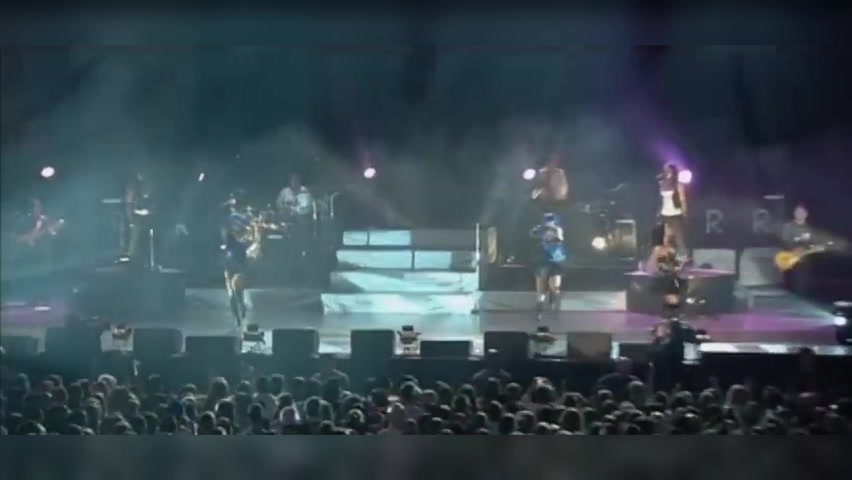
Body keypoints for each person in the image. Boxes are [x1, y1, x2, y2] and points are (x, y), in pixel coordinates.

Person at [223, 194, 255, 326]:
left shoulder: (230, 217)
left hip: (230, 256)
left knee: (231, 289)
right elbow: (252, 239)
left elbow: (226, 238)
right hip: (241, 256)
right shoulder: (248, 218)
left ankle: (237, 318)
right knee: (239, 289)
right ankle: (241, 306)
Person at [530, 212, 568, 311]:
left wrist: (553, 229)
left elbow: (559, 239)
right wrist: (537, 230)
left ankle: (553, 296)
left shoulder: (557, 229)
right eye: (546, 220)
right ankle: (540, 304)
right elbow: (532, 234)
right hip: (543, 259)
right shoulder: (541, 229)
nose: (548, 222)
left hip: (555, 259)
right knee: (541, 283)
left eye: (550, 220)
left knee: (555, 286)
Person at [780, 204, 814, 295]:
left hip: (804, 260)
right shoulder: (788, 227)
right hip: (790, 260)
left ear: (806, 214)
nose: (799, 214)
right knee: (791, 285)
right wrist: (794, 249)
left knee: (803, 284)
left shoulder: (809, 228)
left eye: (802, 212)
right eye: (797, 212)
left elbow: (811, 243)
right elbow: (785, 242)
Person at [658, 163, 688, 260]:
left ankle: (683, 255)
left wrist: (684, 211)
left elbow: (682, 199)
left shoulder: (678, 184)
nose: (667, 172)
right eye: (665, 170)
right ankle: (663, 256)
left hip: (675, 212)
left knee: (678, 235)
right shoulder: (662, 183)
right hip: (665, 212)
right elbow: (660, 199)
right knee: (665, 236)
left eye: (669, 170)